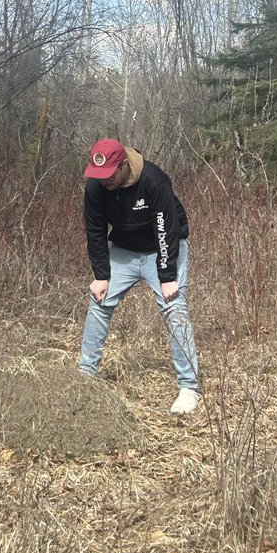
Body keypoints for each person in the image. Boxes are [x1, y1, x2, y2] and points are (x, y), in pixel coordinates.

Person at [78, 137, 201, 414]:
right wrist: (101, 275)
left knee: (175, 308)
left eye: (110, 175)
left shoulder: (153, 180)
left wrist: (167, 275)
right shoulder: (96, 186)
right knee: (99, 300)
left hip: (163, 248)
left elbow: (166, 228)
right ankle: (84, 375)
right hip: (124, 248)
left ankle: (189, 387)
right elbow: (95, 231)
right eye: (100, 176)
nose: (105, 181)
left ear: (122, 166)